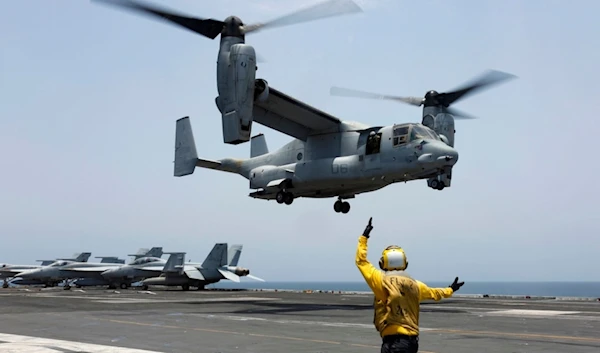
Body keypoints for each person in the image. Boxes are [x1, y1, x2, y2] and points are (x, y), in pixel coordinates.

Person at [355, 217, 464, 353]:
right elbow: (435, 293)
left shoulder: (381, 281)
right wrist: (451, 289)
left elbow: (361, 262)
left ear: (383, 263)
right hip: (411, 343)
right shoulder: (415, 285)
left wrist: (364, 237)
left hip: (394, 342)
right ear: (405, 263)